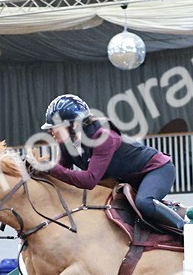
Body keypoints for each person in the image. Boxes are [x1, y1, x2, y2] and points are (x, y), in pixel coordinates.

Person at [31, 94, 184, 233]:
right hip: (128, 180)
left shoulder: (104, 137)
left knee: (144, 203)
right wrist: (37, 171)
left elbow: (89, 180)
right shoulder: (66, 143)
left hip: (157, 170)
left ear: (74, 125)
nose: (50, 132)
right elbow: (60, 174)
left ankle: (187, 229)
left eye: (55, 127)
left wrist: (51, 168)